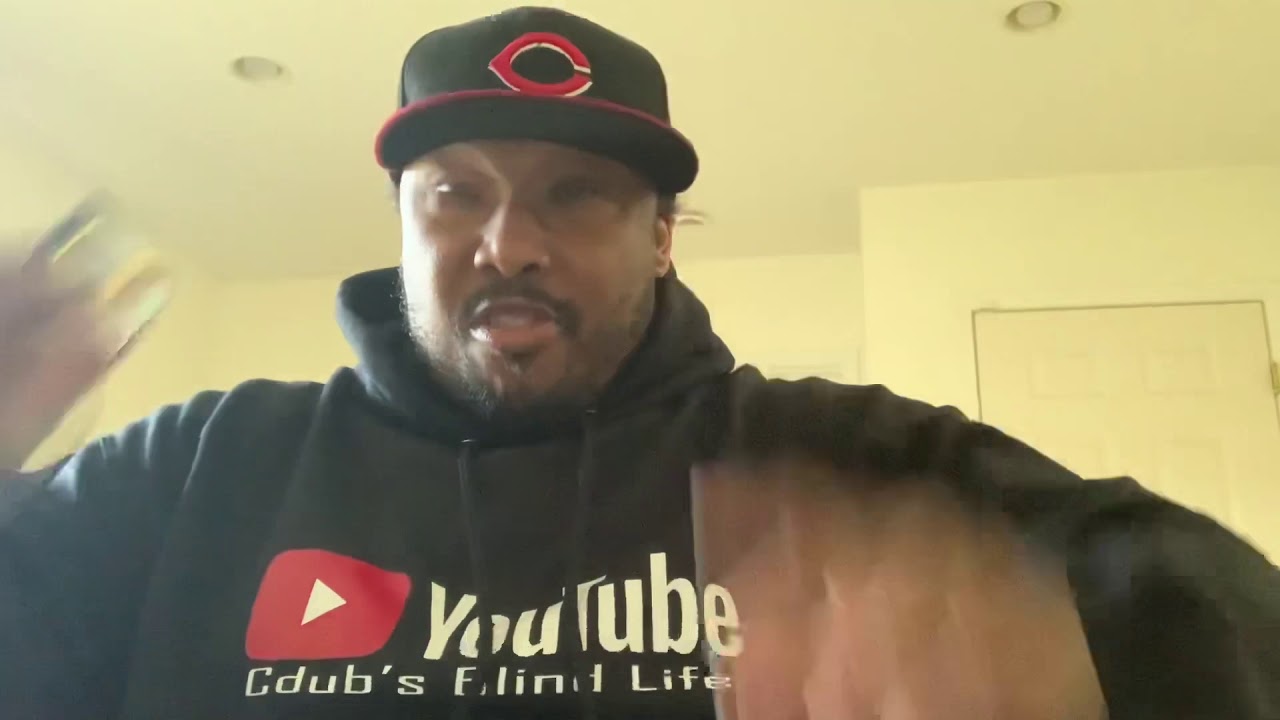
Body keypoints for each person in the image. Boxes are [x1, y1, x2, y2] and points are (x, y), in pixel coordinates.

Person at [1, 6, 1277, 719]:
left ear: (661, 236)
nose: (509, 242)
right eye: (454, 194)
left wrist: (1074, 664)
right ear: (401, 219)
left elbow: (1215, 609)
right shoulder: (199, 469)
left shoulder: (851, 461)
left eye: (577, 193)